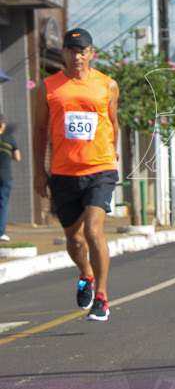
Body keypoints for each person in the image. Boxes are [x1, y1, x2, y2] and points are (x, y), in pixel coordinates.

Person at [32, 28, 121, 322]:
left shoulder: (107, 85)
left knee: (94, 232)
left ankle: (102, 298)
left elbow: (113, 123)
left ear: (91, 53)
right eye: (71, 50)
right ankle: (86, 274)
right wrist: (39, 172)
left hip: (100, 169)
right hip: (63, 172)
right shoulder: (48, 87)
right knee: (75, 241)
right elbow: (40, 130)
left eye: (82, 50)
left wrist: (112, 156)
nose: (77, 56)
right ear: (63, 55)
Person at [0, 116, 21, 242]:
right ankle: (1, 232)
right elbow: (17, 157)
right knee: (2, 204)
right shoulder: (9, 138)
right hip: (5, 175)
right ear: (2, 125)